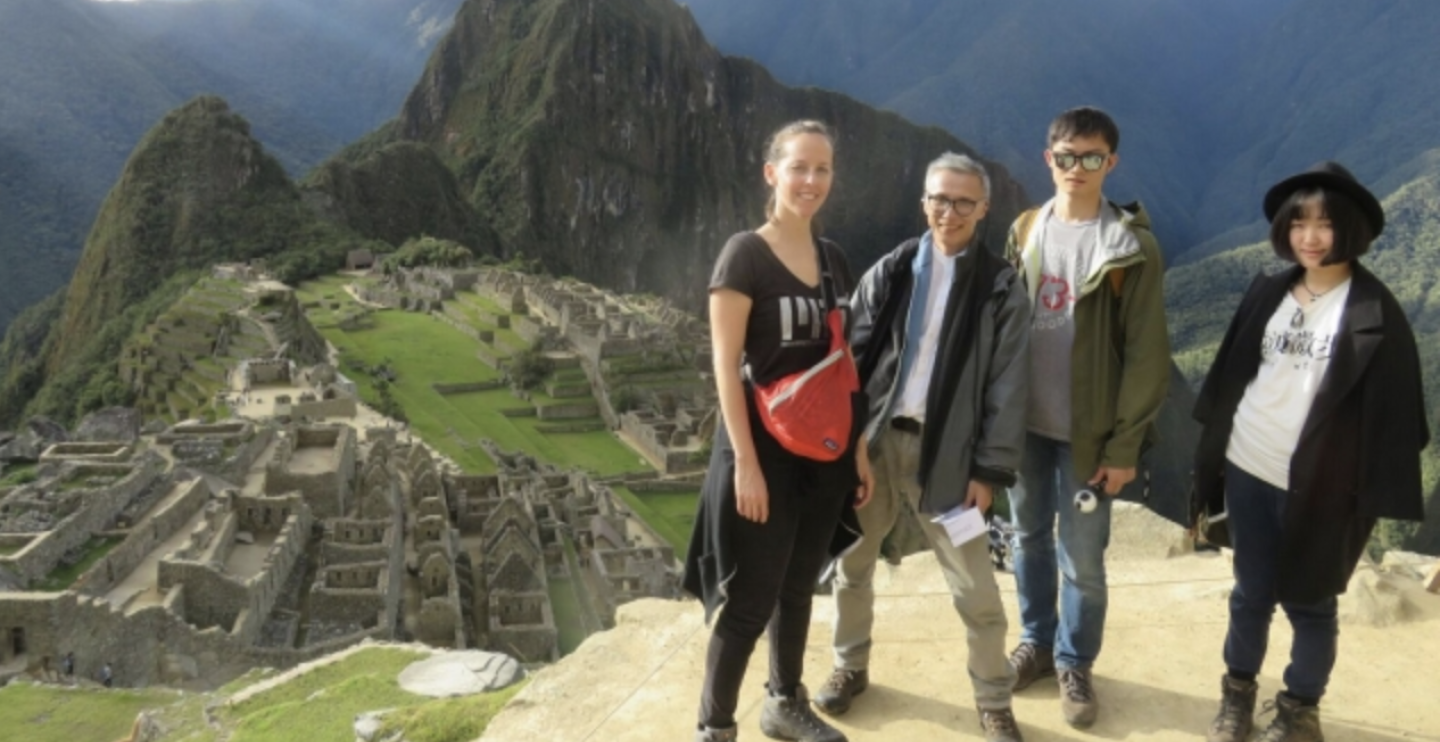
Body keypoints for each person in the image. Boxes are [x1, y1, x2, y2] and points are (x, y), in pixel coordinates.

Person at [1192, 162, 1428, 742]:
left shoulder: (1375, 311)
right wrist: (1212, 465)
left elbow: (1402, 420)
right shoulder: (1268, 290)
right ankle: (1237, 696)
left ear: (1350, 229)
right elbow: (1228, 377)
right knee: (1250, 593)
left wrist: (1362, 496)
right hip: (1249, 463)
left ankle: (1300, 709)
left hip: (1325, 484)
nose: (1311, 237)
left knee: (1311, 603)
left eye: (1325, 224)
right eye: (1299, 223)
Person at [814, 152, 1029, 742]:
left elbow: (1008, 387)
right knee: (852, 564)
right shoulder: (895, 269)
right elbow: (851, 358)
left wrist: (987, 470)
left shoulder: (1000, 288)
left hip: (951, 456)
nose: (948, 211)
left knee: (974, 586)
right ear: (923, 201)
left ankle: (992, 699)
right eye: (939, 198)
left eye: (963, 201)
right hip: (878, 443)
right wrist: (850, 441)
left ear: (983, 208)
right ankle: (849, 666)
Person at [683, 120, 873, 742]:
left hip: (824, 454)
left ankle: (784, 701)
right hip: (761, 451)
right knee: (751, 599)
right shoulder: (745, 256)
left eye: (822, 169)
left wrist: (860, 451)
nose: (811, 181)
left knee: (799, 587)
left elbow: (846, 363)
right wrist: (745, 462)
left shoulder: (834, 258)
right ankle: (715, 725)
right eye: (798, 167)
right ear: (772, 174)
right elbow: (724, 364)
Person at [1003, 106, 1171, 729]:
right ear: (1049, 160)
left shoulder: (1131, 249)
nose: (1078, 168)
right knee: (1025, 541)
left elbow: (1149, 356)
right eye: (1067, 157)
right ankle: (1036, 644)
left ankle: (1075, 661)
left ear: (1111, 163)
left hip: (1090, 436)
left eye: (1092, 158)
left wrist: (1124, 445)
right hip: (1025, 428)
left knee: (1083, 560)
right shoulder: (1024, 230)